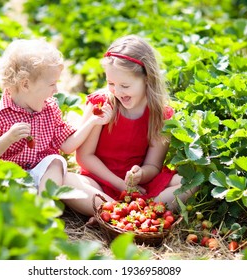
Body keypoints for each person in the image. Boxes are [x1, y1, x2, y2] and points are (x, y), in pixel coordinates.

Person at [63, 35, 195, 216]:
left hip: (140, 187)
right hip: (99, 182)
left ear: (147, 78)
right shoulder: (102, 105)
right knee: (66, 180)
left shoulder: (160, 115)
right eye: (111, 83)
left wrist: (141, 174)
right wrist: (120, 185)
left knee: (191, 182)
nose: (117, 91)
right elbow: (85, 157)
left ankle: (124, 213)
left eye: (125, 85)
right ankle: (127, 212)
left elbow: (153, 166)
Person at [0, 38, 111, 193]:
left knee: (55, 161)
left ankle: (46, 203)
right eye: (51, 84)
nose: (56, 90)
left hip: (40, 175)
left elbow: (67, 146)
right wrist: (8, 138)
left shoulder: (50, 108)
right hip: (10, 176)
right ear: (26, 84)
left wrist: (93, 122)